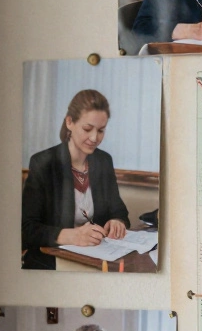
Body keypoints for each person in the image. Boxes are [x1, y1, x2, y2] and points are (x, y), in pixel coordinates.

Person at [21, 89, 130, 270]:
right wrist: (72, 236)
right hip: (51, 265)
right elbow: (26, 229)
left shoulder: (103, 161)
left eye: (101, 130)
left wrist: (117, 221)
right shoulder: (43, 163)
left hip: (94, 262)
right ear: (69, 122)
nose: (94, 138)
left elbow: (119, 211)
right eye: (87, 129)